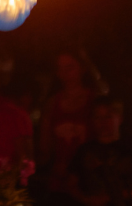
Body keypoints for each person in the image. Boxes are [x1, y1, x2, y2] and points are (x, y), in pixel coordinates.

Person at [39, 51, 96, 193]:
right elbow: (44, 146)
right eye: (61, 69)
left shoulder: (94, 101)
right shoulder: (52, 104)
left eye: (70, 68)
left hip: (89, 177)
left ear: (82, 69)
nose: (65, 74)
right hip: (60, 177)